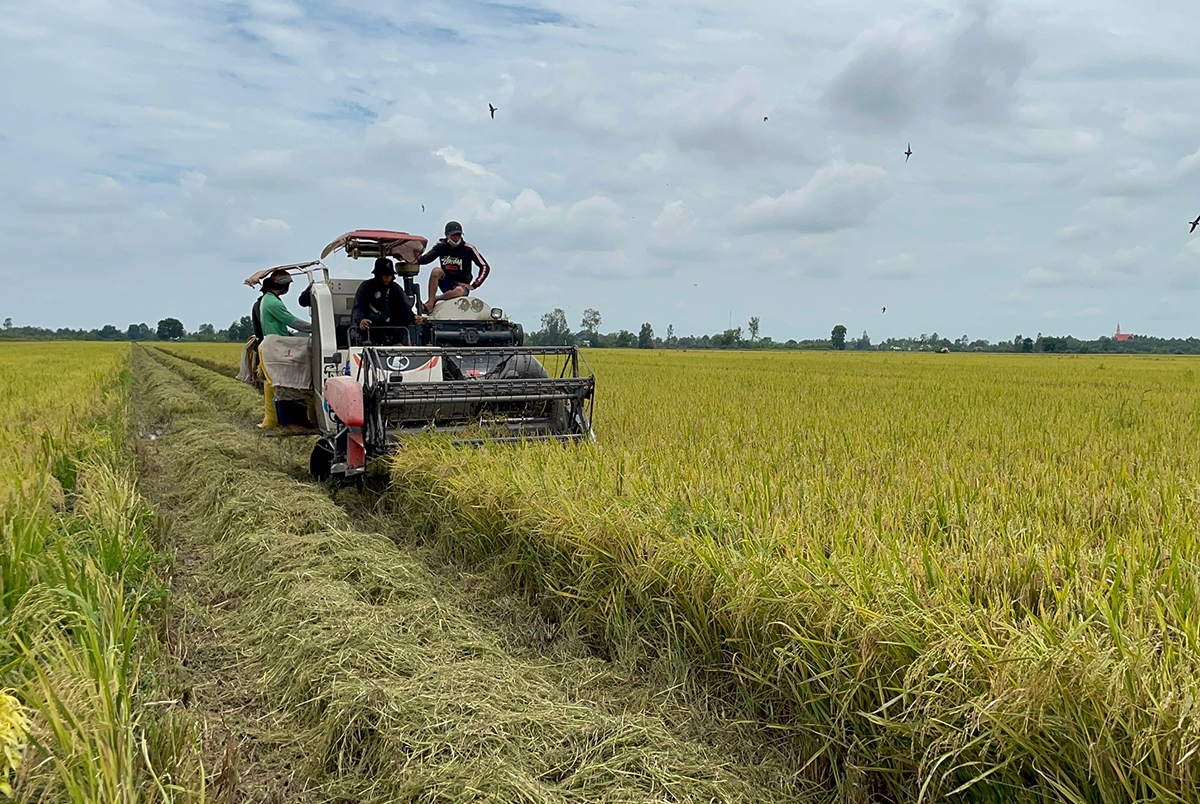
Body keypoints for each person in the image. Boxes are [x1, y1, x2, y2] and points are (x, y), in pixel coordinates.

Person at [252, 270, 311, 433]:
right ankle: (288, 423)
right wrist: (318, 327)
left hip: (276, 344)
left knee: (288, 385)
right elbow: (292, 321)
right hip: (277, 347)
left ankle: (299, 420)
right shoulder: (273, 303)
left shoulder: (268, 299)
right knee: (285, 385)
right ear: (282, 286)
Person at [418, 221, 490, 313]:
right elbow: (426, 259)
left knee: (459, 291)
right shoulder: (440, 246)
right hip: (446, 281)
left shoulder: (468, 248)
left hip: (461, 285)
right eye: (453, 235)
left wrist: (475, 284)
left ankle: (437, 298)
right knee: (436, 271)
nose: (456, 238)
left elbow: (484, 266)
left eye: (458, 235)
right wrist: (412, 261)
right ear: (447, 235)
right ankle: (430, 302)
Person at [352, 257, 423, 344]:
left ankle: (396, 342)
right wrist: (361, 320)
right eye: (384, 274)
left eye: (389, 275)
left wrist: (413, 317)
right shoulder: (366, 287)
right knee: (373, 317)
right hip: (372, 326)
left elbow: (405, 306)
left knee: (405, 315)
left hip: (392, 325)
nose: (387, 277)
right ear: (378, 274)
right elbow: (359, 306)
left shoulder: (395, 288)